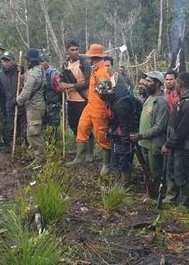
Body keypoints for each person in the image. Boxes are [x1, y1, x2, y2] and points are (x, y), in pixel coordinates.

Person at [67, 44, 113, 174]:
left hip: (99, 109)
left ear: (94, 56)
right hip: (89, 106)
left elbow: (106, 92)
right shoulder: (95, 69)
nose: (89, 58)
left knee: (101, 135)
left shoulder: (103, 71)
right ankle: (79, 157)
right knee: (81, 128)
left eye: (90, 56)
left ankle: (106, 164)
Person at [162, 72, 189, 207]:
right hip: (176, 144)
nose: (175, 85)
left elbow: (183, 131)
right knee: (171, 170)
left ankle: (184, 202)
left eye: (177, 82)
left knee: (181, 174)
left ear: (182, 84)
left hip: (183, 146)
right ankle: (172, 197)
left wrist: (168, 144)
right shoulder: (183, 100)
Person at [130, 71, 169, 197]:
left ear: (157, 84)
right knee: (147, 170)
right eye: (146, 80)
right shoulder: (149, 98)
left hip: (154, 144)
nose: (146, 83)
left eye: (149, 81)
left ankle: (158, 195)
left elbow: (159, 126)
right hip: (144, 142)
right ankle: (150, 193)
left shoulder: (161, 102)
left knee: (155, 171)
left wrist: (141, 136)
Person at [59, 39, 93, 156]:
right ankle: (79, 149)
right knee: (73, 125)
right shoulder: (65, 64)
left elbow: (89, 82)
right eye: (72, 50)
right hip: (71, 99)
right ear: (67, 51)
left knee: (86, 126)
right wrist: (62, 86)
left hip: (83, 99)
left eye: (77, 49)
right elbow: (62, 80)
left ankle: (89, 152)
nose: (75, 52)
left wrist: (72, 85)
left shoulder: (84, 63)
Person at [16, 48, 46, 156]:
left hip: (34, 107)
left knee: (33, 133)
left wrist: (18, 101)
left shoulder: (33, 74)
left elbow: (26, 92)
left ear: (30, 61)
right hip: (39, 105)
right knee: (33, 131)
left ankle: (39, 157)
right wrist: (22, 73)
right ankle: (33, 153)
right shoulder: (40, 70)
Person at [107, 82, 140, 179]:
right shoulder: (111, 100)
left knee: (124, 156)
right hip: (117, 133)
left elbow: (126, 125)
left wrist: (126, 139)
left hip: (126, 132)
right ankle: (117, 177)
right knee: (116, 155)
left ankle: (125, 180)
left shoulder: (121, 105)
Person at [0, 51, 26, 153]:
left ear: (13, 61)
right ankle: (10, 146)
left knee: (23, 125)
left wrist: (22, 71)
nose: (6, 63)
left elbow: (25, 83)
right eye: (4, 61)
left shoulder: (19, 72)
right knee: (10, 125)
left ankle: (23, 146)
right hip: (9, 103)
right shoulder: (2, 74)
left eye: (8, 61)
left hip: (21, 103)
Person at [40, 53, 63, 131]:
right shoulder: (38, 73)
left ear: (47, 62)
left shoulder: (54, 74)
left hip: (53, 106)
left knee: (54, 128)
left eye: (42, 61)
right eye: (39, 61)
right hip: (43, 106)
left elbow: (60, 90)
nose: (40, 63)